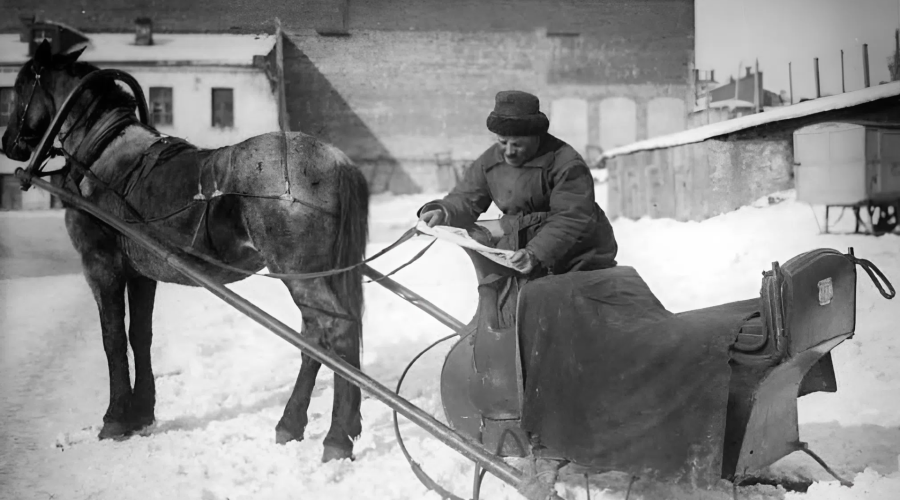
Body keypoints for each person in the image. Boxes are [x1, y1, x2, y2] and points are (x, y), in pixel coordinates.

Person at [417, 89, 618, 278]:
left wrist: (536, 253)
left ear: (537, 137)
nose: (509, 151)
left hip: (576, 250)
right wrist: (444, 211)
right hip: (523, 238)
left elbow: (571, 217)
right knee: (476, 239)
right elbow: (467, 196)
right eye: (503, 142)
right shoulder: (491, 161)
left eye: (518, 144)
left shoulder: (565, 162)